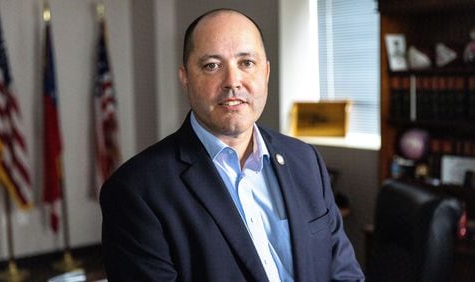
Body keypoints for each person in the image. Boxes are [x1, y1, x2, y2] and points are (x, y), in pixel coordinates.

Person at [100, 8, 364, 282]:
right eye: (211, 65)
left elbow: (344, 273)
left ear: (266, 72)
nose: (232, 82)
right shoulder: (135, 191)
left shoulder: (305, 160)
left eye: (247, 63)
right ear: (185, 78)